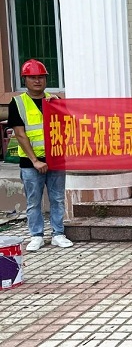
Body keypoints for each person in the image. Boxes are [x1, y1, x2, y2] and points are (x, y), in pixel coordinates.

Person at [8, 59, 73, 251]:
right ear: (25, 80)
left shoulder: (55, 101)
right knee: (33, 201)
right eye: (33, 77)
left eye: (41, 77)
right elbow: (20, 134)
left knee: (57, 199)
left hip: (56, 159)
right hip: (31, 163)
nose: (37, 81)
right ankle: (36, 236)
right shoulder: (18, 103)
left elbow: (68, 125)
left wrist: (57, 106)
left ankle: (58, 234)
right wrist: (35, 160)